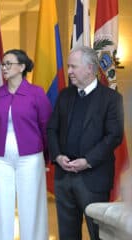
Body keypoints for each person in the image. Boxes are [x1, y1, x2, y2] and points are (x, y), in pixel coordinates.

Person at [47, 46, 124, 240]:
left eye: (73, 67)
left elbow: (114, 136)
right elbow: (51, 129)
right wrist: (57, 156)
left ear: (90, 68)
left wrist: (87, 161)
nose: (69, 71)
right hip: (64, 178)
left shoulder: (111, 98)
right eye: (68, 66)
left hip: (93, 178)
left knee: (97, 235)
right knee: (67, 235)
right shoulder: (65, 95)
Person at [0, 49, 51, 240]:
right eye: (2, 64)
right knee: (0, 205)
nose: (4, 68)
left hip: (30, 157)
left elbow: (46, 126)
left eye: (8, 64)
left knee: (31, 206)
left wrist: (45, 157)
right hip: (0, 158)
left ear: (22, 67)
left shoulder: (36, 93)